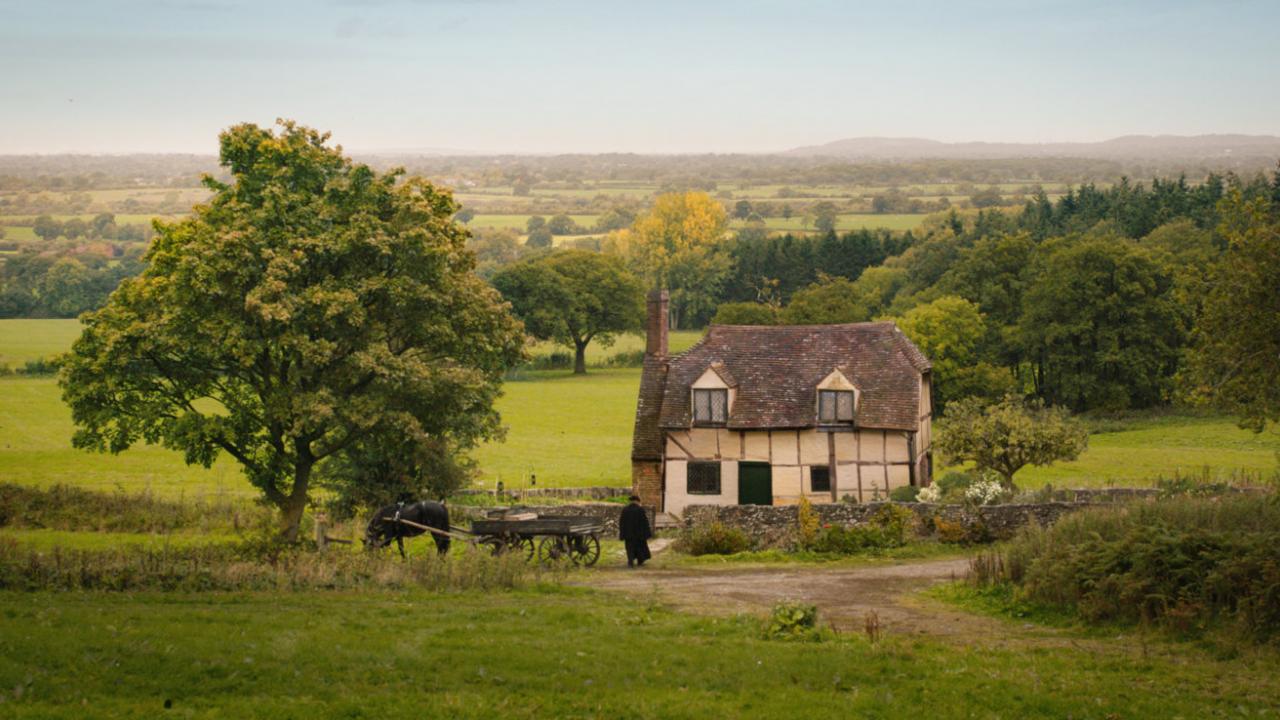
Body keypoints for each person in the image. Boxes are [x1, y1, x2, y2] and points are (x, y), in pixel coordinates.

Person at [619, 495, 652, 568]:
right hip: (639, 534)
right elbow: (644, 522)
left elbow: (622, 522)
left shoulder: (625, 510)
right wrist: (647, 533)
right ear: (637, 501)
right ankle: (640, 560)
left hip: (628, 534)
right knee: (640, 547)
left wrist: (622, 533)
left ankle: (630, 562)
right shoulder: (640, 510)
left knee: (629, 548)